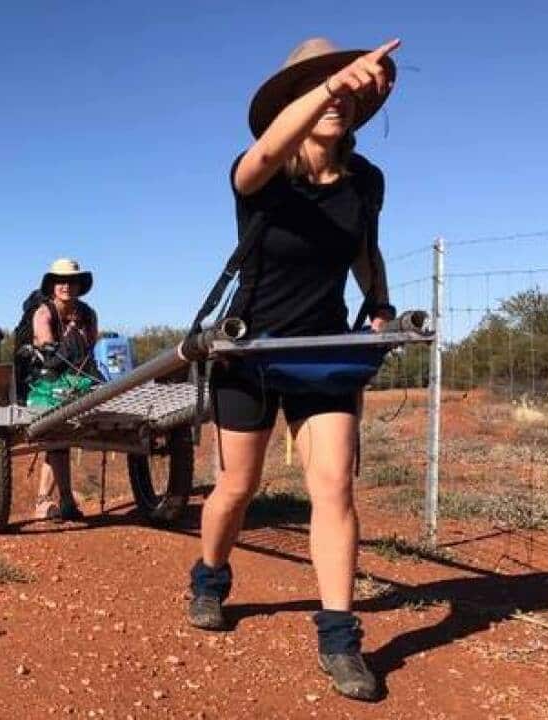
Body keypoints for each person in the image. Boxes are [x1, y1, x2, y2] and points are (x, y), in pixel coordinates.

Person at [186, 38, 400, 701]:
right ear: (292, 103)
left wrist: (381, 305)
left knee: (333, 487)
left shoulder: (367, 180)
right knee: (237, 488)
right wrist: (333, 85)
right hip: (247, 353)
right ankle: (210, 578)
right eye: (322, 88)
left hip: (322, 353)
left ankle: (339, 638)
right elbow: (266, 153)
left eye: (347, 90)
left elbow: (365, 251)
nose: (338, 99)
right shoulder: (261, 174)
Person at [27, 258, 98, 521]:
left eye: (72, 281)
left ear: (80, 285)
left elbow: (91, 347)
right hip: (48, 383)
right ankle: (53, 499)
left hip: (81, 381)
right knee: (57, 434)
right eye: (61, 281)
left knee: (61, 437)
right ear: (53, 285)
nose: (66, 286)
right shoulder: (44, 313)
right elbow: (47, 347)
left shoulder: (88, 314)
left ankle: (58, 500)